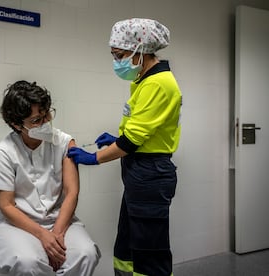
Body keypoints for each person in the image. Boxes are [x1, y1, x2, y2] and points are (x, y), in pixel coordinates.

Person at [67, 18, 182, 276]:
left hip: (150, 173)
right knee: (129, 244)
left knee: (149, 251)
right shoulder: (142, 80)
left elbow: (130, 142)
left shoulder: (159, 83)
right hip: (138, 170)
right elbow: (138, 128)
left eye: (119, 55)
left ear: (139, 50)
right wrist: (117, 137)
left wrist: (93, 157)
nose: (116, 62)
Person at [0, 80, 100, 276]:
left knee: (86, 253)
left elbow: (72, 193)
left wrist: (56, 234)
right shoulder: (5, 151)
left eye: (46, 114)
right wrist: (42, 235)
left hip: (59, 220)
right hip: (16, 224)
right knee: (26, 262)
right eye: (36, 120)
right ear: (16, 124)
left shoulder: (65, 142)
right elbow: (5, 205)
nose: (46, 122)